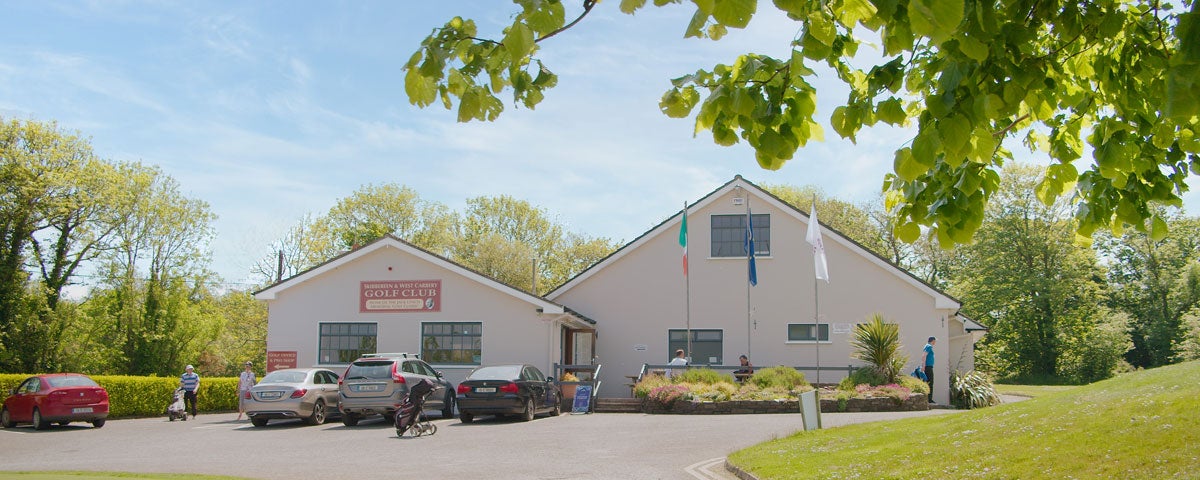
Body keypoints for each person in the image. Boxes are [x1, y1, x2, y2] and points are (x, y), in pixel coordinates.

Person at [921, 337, 936, 402]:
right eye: (935, 341)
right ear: (932, 341)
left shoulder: (927, 346)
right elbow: (924, 355)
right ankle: (929, 399)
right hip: (928, 367)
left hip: (928, 366)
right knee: (930, 382)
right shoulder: (929, 346)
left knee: (928, 382)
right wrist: (923, 366)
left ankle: (928, 398)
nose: (935, 342)